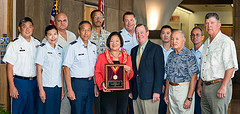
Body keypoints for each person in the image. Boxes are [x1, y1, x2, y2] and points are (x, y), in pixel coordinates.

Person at [197, 13, 238, 114]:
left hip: (219, 85)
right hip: (205, 87)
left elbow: (230, 66)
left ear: (219, 24)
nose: (209, 26)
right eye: (206, 23)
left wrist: (223, 86)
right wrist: (199, 84)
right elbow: (204, 64)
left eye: (212, 22)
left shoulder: (226, 42)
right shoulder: (206, 43)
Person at [3, 17, 40, 113]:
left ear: (33, 28)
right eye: (25, 27)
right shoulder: (14, 44)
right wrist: (12, 86)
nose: (28, 29)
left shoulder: (37, 43)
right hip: (19, 83)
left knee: (31, 110)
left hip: (34, 83)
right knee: (17, 110)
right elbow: (9, 67)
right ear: (19, 29)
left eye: (30, 27)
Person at [42, 13, 76, 114]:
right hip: (56, 78)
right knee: (59, 105)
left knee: (69, 105)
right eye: (59, 21)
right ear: (55, 22)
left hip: (71, 75)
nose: (62, 23)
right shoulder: (49, 38)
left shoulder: (72, 36)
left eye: (64, 20)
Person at [94, 32, 134, 114]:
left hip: (123, 91)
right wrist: (102, 83)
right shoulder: (102, 56)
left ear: (121, 43)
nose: (114, 43)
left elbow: (131, 74)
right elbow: (97, 72)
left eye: (117, 41)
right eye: (112, 41)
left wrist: (128, 71)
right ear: (108, 42)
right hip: (108, 91)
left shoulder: (127, 57)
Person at [63, 21, 97, 114]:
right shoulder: (72, 47)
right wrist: (69, 90)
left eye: (88, 30)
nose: (86, 33)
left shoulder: (93, 47)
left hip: (90, 84)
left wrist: (95, 85)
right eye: (83, 30)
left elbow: (94, 67)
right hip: (77, 85)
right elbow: (66, 69)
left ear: (91, 32)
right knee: (77, 111)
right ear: (79, 31)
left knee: (89, 111)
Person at [130, 24, 165, 114]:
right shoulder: (133, 50)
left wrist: (157, 91)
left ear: (147, 33)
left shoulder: (156, 49)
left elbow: (159, 72)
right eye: (137, 33)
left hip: (150, 93)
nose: (139, 35)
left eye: (141, 32)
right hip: (136, 93)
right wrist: (130, 90)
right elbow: (133, 72)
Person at [164, 30, 199, 114]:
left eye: (177, 39)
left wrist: (189, 98)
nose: (174, 41)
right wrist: (166, 93)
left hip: (184, 90)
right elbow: (168, 76)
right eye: (172, 39)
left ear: (184, 40)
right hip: (171, 90)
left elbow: (193, 78)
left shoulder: (189, 55)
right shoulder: (171, 55)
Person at [35, 25, 64, 114]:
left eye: (55, 34)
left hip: (57, 87)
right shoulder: (42, 48)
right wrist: (41, 89)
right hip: (46, 87)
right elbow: (38, 70)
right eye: (50, 34)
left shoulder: (60, 49)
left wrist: (62, 89)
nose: (53, 37)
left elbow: (61, 71)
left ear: (58, 35)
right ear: (46, 37)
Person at [89, 9, 110, 114]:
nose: (98, 19)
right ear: (91, 19)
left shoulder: (109, 36)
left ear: (103, 19)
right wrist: (94, 83)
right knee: (96, 107)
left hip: (107, 76)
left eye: (100, 17)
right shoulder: (87, 35)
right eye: (95, 17)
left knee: (107, 106)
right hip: (92, 76)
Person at [159, 25, 174, 114]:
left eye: (168, 33)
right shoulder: (157, 50)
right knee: (161, 109)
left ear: (171, 35)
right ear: (160, 35)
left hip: (173, 83)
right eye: (163, 33)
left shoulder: (176, 50)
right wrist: (159, 84)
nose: (165, 35)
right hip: (160, 82)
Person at [190, 26, 205, 114]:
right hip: (190, 84)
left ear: (202, 37)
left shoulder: (206, 52)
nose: (195, 37)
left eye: (197, 35)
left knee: (200, 110)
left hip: (202, 84)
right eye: (193, 35)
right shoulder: (189, 53)